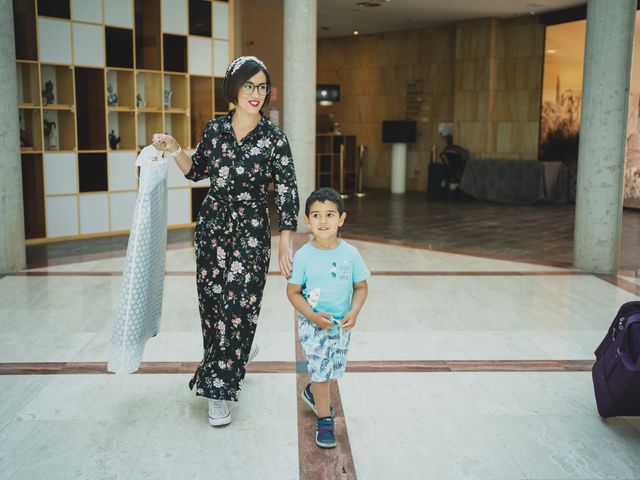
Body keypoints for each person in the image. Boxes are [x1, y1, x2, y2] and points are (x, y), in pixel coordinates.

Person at [151, 56, 299, 426]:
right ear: (233, 90)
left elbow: (287, 193)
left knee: (238, 308)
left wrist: (285, 242)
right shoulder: (215, 130)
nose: (256, 94)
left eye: (262, 87)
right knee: (214, 307)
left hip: (251, 230)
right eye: (249, 86)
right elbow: (197, 170)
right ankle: (236, 354)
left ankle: (218, 390)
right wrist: (174, 148)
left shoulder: (274, 139)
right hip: (213, 227)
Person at [286, 187, 369, 448]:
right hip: (312, 324)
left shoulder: (351, 254)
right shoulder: (303, 256)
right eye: (316, 215)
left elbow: (361, 287)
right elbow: (293, 292)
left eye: (330, 214)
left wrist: (354, 312)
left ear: (341, 218)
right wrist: (310, 315)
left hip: (340, 325)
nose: (323, 221)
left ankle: (313, 392)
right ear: (307, 221)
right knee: (321, 372)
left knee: (330, 369)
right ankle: (324, 421)